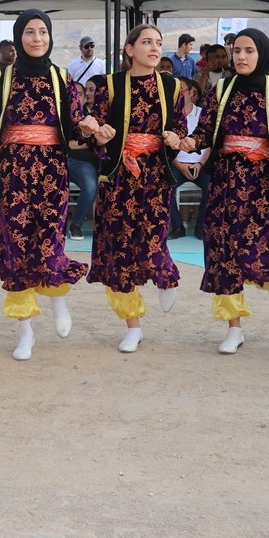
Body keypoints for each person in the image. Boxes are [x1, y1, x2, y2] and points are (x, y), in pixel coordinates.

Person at [0, 9, 99, 361]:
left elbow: (75, 126)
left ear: (50, 36)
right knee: (16, 249)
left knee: (48, 241)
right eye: (29, 32)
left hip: (50, 172)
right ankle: (25, 330)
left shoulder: (63, 80)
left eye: (42, 32)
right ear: (18, 38)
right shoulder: (1, 80)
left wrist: (90, 127)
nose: (36, 39)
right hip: (10, 173)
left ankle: (57, 298)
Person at [181, 29, 269, 355]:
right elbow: (204, 130)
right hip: (225, 182)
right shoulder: (221, 88)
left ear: (262, 54)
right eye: (237, 50)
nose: (241, 56)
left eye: (249, 50)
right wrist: (188, 142)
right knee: (223, 253)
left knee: (266, 242)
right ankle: (234, 327)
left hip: (262, 183)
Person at [87, 24, 187, 353]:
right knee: (119, 249)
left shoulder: (172, 87)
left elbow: (180, 130)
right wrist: (100, 137)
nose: (155, 48)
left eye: (159, 43)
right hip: (118, 176)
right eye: (146, 42)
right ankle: (132, 326)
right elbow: (98, 132)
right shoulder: (111, 86)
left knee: (154, 235)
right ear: (130, 50)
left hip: (154, 176)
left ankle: (165, 274)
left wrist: (175, 138)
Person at [168, 77, 210, 238]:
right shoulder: (169, 116)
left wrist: (200, 164)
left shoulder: (203, 114)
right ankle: (178, 227)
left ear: (192, 92)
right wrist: (180, 165)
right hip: (177, 164)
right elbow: (165, 146)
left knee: (212, 186)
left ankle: (201, 227)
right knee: (163, 185)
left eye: (181, 90)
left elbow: (210, 144)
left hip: (201, 164)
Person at [66, 76, 101, 240]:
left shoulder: (102, 114)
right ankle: (76, 225)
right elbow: (67, 145)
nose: (86, 94)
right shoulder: (70, 116)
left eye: (90, 90)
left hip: (102, 162)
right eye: (80, 92)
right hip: (78, 161)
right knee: (90, 185)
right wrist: (91, 141)